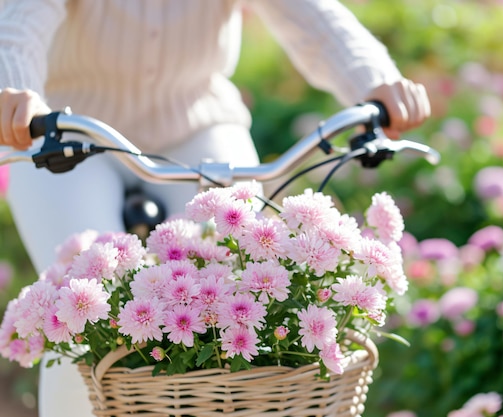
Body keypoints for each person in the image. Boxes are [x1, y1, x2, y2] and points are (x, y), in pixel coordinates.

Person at [0, 1, 431, 416]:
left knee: (234, 291)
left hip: (196, 121)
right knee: (81, 307)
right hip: (67, 132)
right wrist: (13, 86)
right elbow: (20, 19)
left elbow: (312, 17)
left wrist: (374, 80)